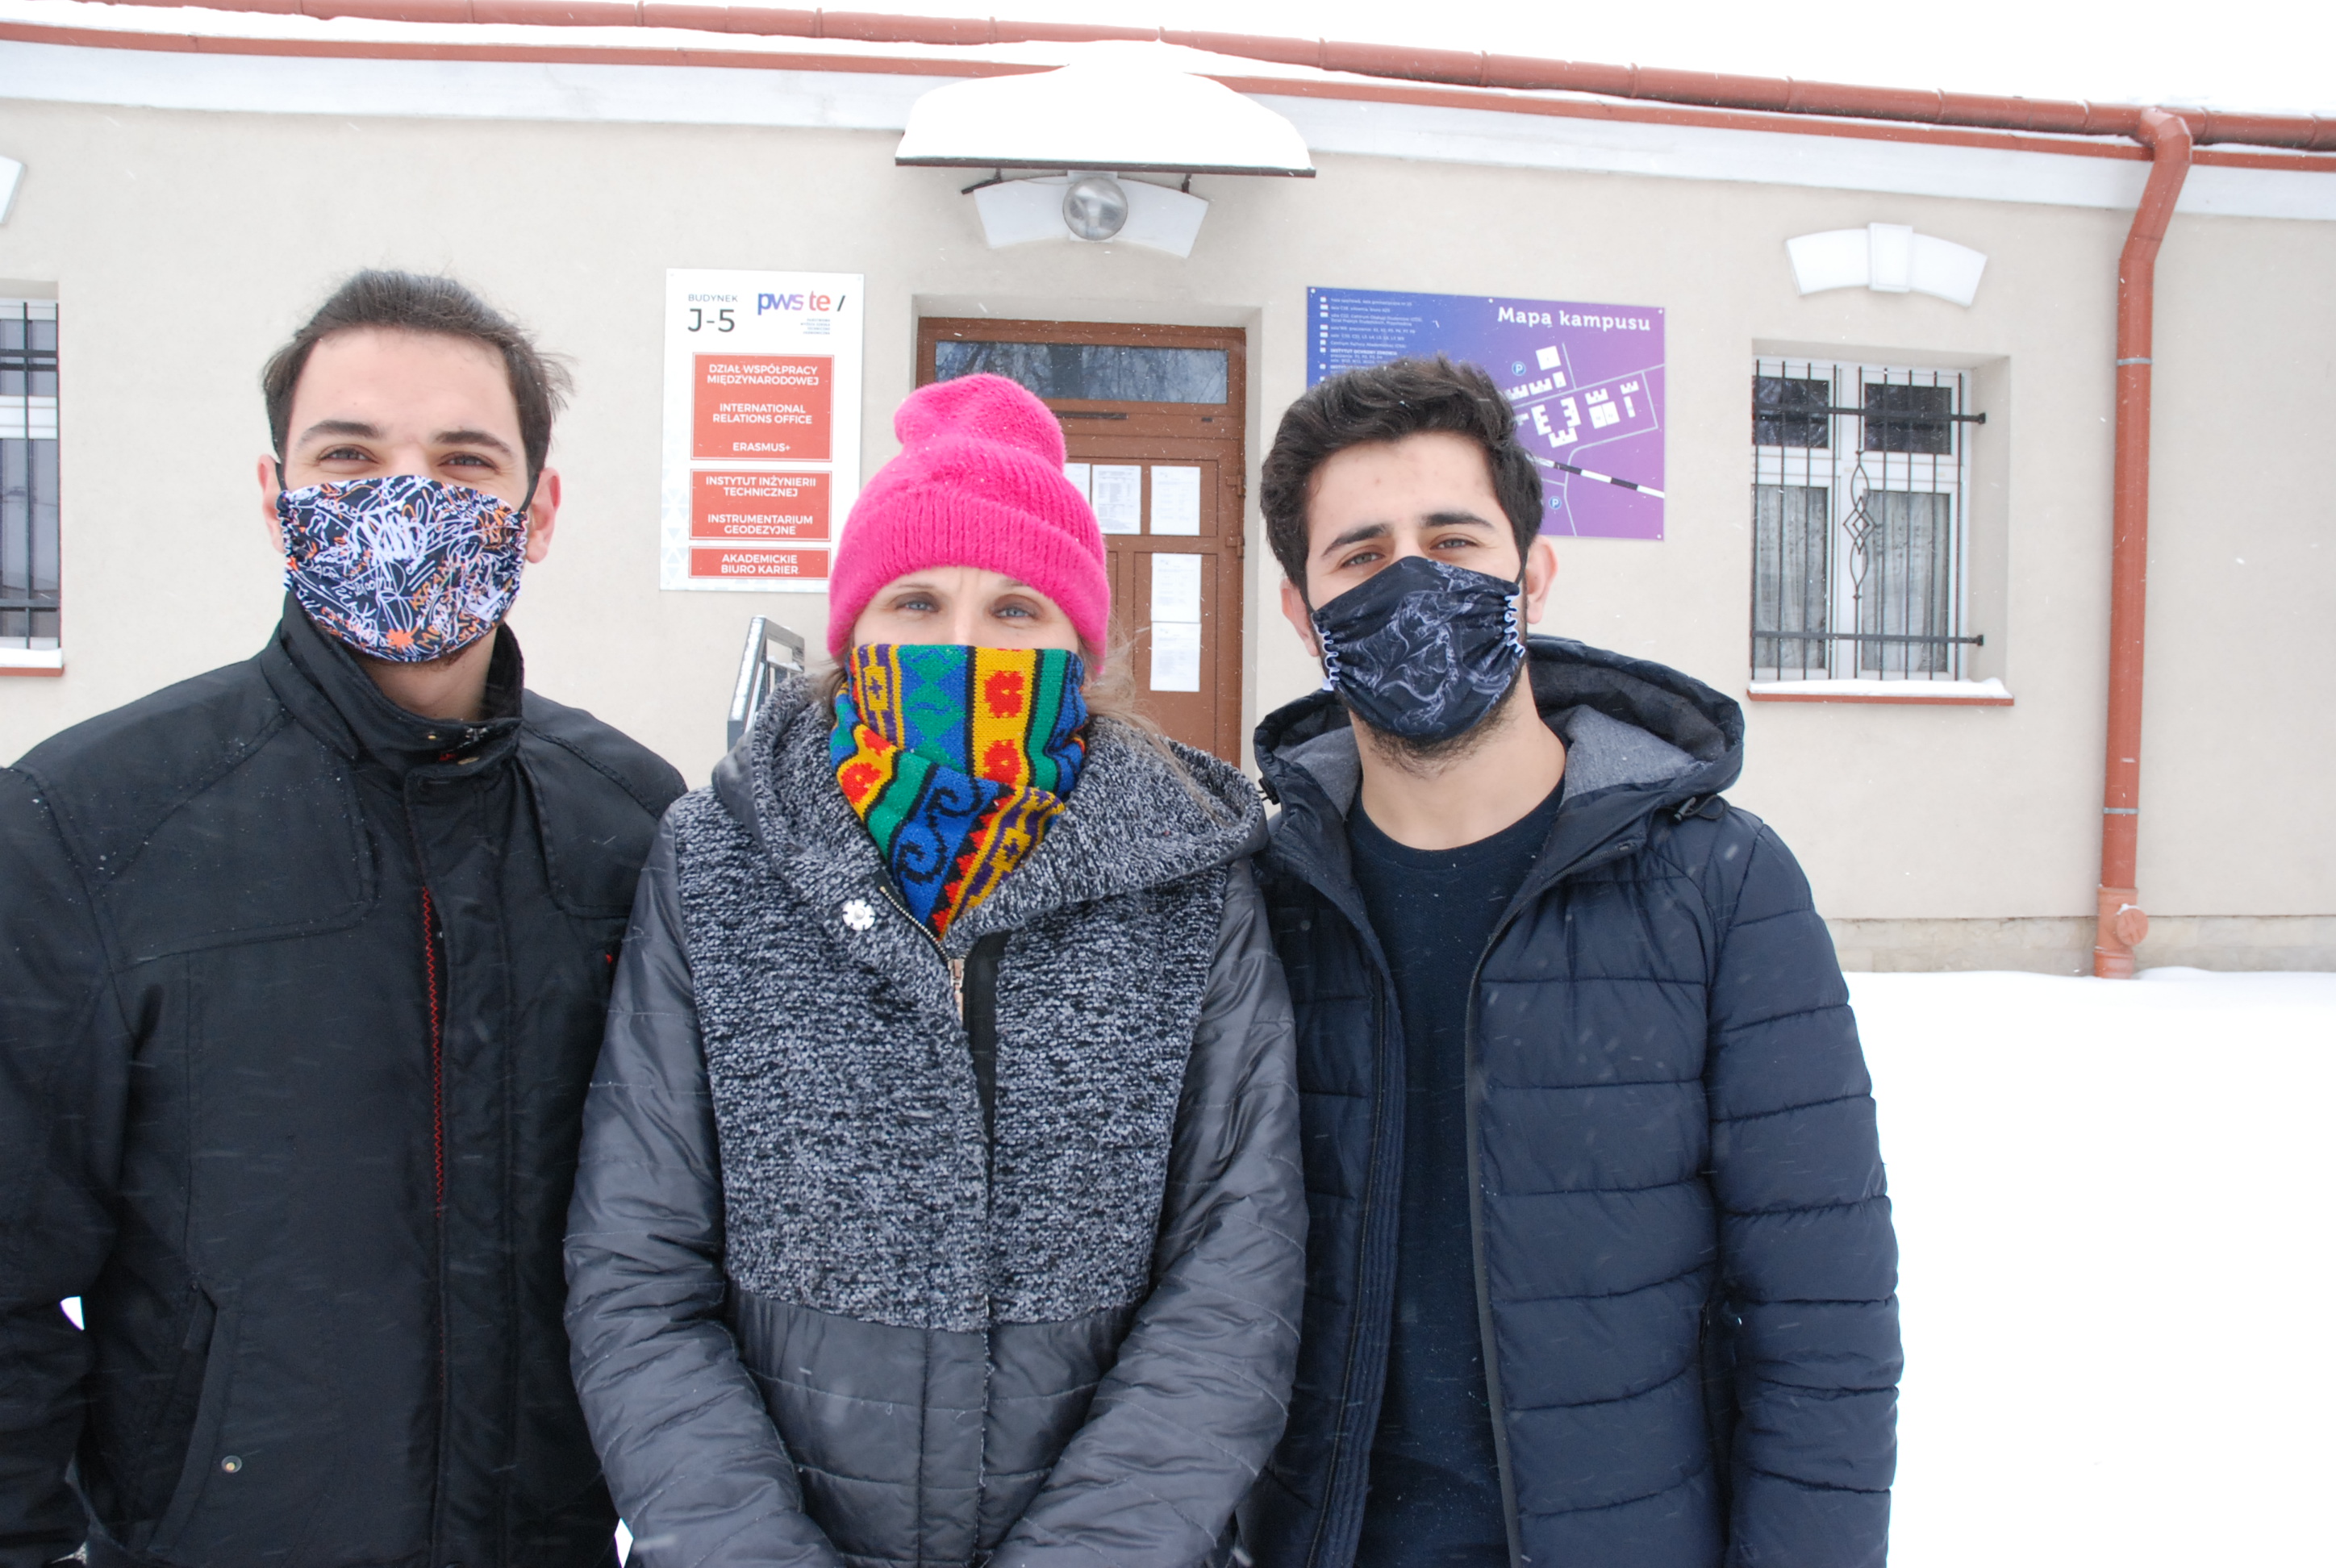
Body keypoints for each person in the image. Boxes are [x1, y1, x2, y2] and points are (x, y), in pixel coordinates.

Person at [563, 373, 1304, 1567]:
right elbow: (638, 1272)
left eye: (1017, 608)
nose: (964, 643)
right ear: (854, 634)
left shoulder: (1191, 883)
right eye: (917, 600)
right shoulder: (717, 862)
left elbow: (1234, 1283)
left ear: (1080, 646)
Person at [0, 271, 683, 1568]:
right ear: (278, 498)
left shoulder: (633, 826)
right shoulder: (90, 824)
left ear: (538, 513)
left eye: (464, 461)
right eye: (350, 457)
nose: (405, 499)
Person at [1237, 357, 1900, 1568]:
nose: (1415, 583)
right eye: (1361, 557)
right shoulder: (1262, 902)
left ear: (1532, 574)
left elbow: (1822, 1324)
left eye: (1455, 540)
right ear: (1300, 609)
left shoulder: (1716, 885)